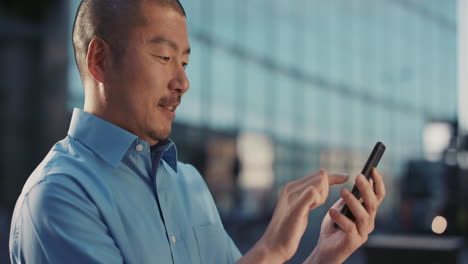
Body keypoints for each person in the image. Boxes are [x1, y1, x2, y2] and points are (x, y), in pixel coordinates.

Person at [8, 0, 386, 263]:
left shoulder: (187, 183)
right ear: (100, 60)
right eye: (164, 57)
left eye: (185, 61)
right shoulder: (58, 198)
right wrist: (269, 250)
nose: (183, 81)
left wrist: (323, 255)